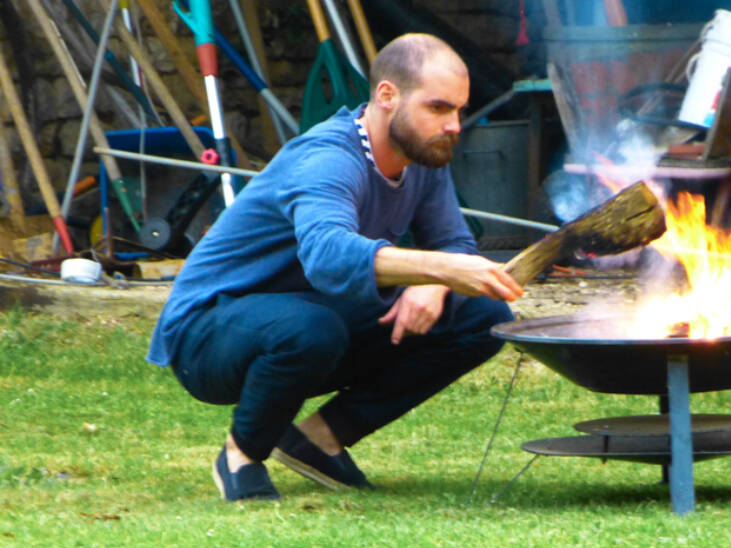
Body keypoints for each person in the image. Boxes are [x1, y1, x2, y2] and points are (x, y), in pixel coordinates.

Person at [146, 33, 524, 501]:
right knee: (310, 329)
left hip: (311, 316)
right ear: (387, 96)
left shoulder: (422, 156)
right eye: (438, 108)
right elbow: (327, 256)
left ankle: (318, 439)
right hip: (207, 333)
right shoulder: (328, 157)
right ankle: (241, 455)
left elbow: (453, 243)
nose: (454, 125)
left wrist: (434, 284)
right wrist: (441, 269)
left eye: (459, 110)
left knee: (481, 316)